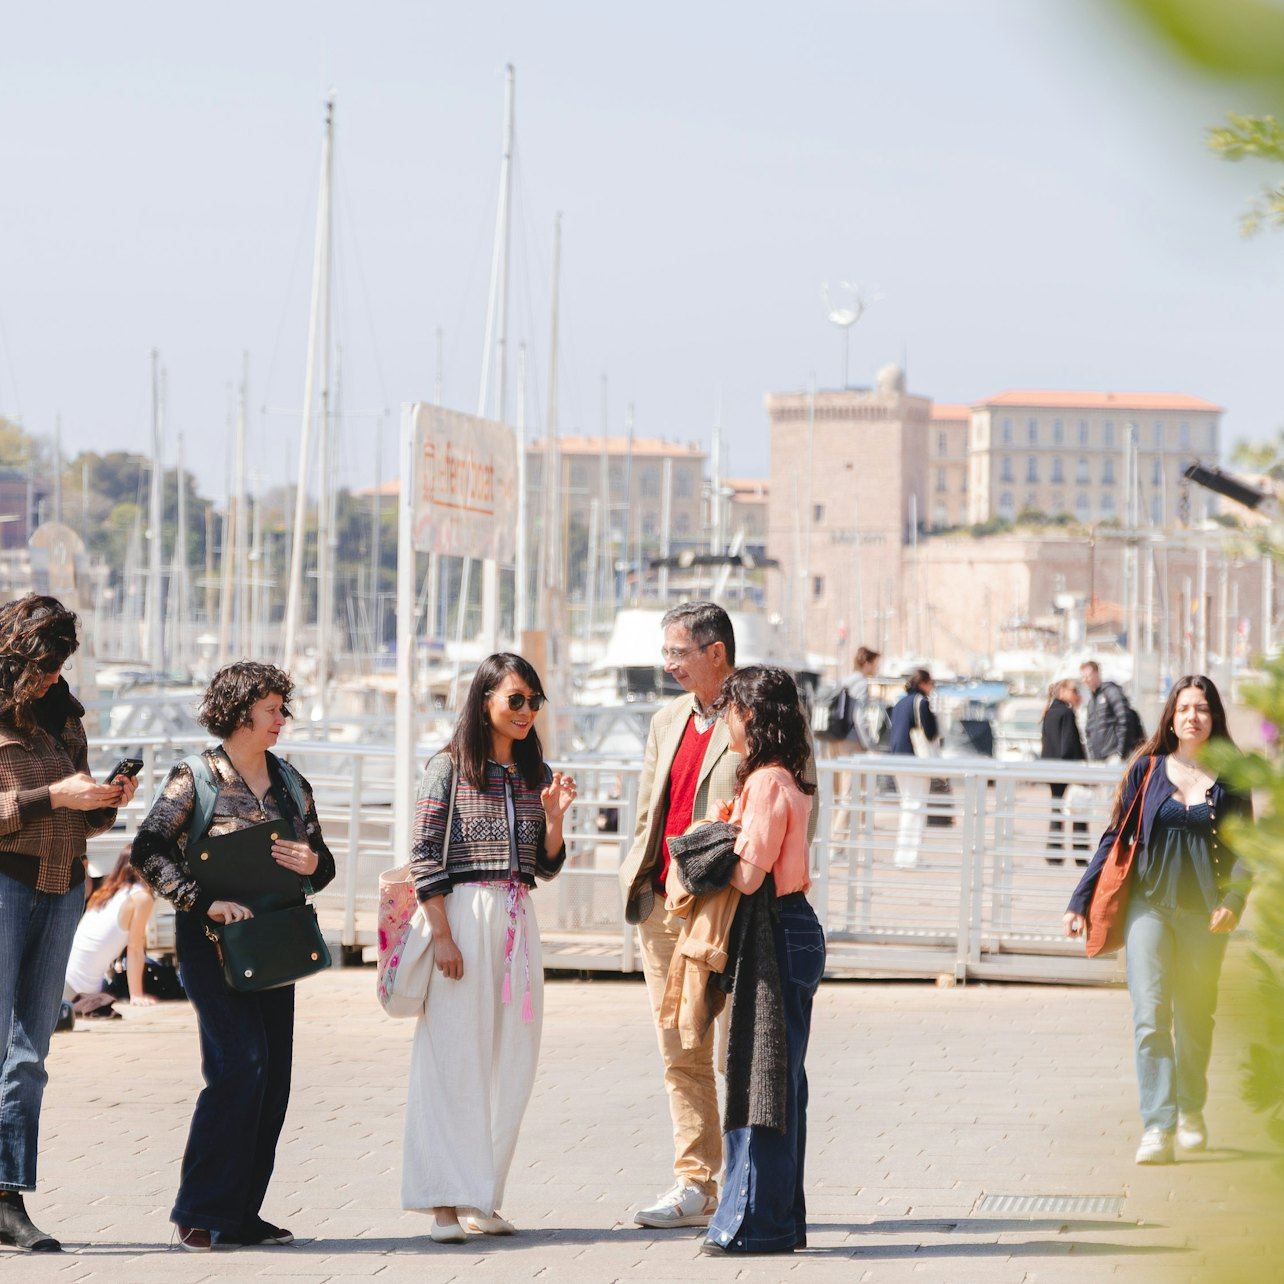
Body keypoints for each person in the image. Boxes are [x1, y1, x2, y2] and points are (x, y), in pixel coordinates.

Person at [130, 661, 335, 1250]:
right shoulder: (195, 777)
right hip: (210, 943)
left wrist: (313, 863)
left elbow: (321, 865)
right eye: (272, 708)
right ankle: (199, 1211)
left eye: (282, 708)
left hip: (274, 943)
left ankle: (241, 1215)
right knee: (240, 1066)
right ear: (241, 712)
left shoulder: (292, 782)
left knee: (273, 1080)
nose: (282, 718)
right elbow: (147, 850)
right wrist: (204, 902)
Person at [402, 652, 575, 1243]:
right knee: (452, 1056)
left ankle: (483, 1195)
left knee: (513, 1062)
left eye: (534, 701)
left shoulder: (533, 771)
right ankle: (443, 1204)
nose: (526, 711)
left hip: (517, 918)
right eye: (515, 699)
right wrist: (442, 934)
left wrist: (554, 820)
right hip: (462, 912)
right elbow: (424, 853)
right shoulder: (448, 767)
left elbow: (544, 866)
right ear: (485, 702)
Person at [1063, 675, 1251, 1166]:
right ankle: (1158, 1124)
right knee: (1150, 1014)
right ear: (1170, 717)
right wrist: (1079, 900)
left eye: (1202, 708)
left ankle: (1191, 1109)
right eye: (1185, 708)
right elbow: (1115, 837)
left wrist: (1234, 900)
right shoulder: (1146, 771)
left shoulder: (1233, 779)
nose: (1193, 717)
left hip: (1206, 916)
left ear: (1214, 718)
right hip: (1149, 908)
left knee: (1194, 1017)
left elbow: (1247, 850)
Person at [0, 595, 136, 1254]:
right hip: (4, 886)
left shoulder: (65, 712)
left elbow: (80, 816)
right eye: (44, 665)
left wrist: (105, 801)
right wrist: (54, 794)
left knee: (31, 1054)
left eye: (61, 664)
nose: (54, 676)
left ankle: (8, 1198)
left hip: (60, 889)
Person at [699, 665, 824, 1255]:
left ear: (748, 715)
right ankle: (778, 1217)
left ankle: (755, 1223)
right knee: (784, 1079)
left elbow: (749, 876)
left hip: (775, 932)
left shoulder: (767, 782)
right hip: (795, 927)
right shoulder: (788, 776)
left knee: (762, 1076)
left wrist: (716, 839)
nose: (724, 723)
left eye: (728, 712)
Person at [65, 845, 155, 1015]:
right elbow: (135, 948)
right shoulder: (141, 898)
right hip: (79, 991)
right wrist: (136, 995)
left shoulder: (108, 893)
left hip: (63, 981)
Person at [888, 670, 937, 869]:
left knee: (907, 805)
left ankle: (902, 854)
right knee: (916, 806)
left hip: (898, 758)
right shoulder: (921, 702)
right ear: (923, 683)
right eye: (931, 683)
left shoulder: (900, 702)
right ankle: (910, 856)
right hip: (915, 759)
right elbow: (930, 733)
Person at [1040, 679, 1090, 866]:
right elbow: (1069, 744)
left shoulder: (1049, 712)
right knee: (1078, 811)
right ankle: (1081, 853)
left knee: (1057, 810)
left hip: (1052, 769)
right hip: (1069, 769)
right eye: (1074, 690)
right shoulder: (1067, 713)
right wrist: (1081, 768)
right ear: (1062, 691)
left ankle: (1054, 852)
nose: (1077, 694)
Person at [1081, 661, 1142, 763]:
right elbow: (1089, 730)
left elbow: (1125, 718)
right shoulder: (1091, 702)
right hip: (1098, 758)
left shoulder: (1111, 692)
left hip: (1113, 756)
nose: (1085, 680)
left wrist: (1121, 752)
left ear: (1097, 673)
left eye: (1088, 676)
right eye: (1083, 677)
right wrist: (1091, 752)